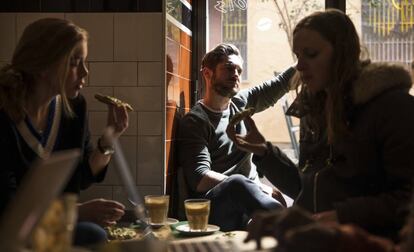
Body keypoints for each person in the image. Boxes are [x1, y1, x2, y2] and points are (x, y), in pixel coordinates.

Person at [227, 8, 414, 239]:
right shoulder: (313, 110)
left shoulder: (393, 107)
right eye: (297, 56)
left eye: (311, 54)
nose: (300, 66)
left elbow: (407, 199)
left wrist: (337, 216)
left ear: (343, 54)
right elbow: (307, 188)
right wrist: (265, 153)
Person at [0, 18, 129, 246]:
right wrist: (77, 212)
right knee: (93, 234)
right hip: (8, 231)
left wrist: (110, 137)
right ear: (43, 65)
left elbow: (79, 179)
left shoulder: (74, 108)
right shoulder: (4, 115)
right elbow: (6, 206)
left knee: (96, 235)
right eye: (74, 62)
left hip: (50, 224)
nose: (84, 72)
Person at [177, 43, 296, 231]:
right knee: (237, 182)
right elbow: (199, 178)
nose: (236, 75)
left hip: (248, 205)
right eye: (229, 68)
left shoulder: (239, 104)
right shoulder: (196, 121)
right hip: (215, 209)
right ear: (207, 73)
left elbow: (280, 84)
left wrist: (306, 63)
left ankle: (290, 228)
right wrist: (257, 188)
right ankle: (294, 230)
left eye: (239, 70)